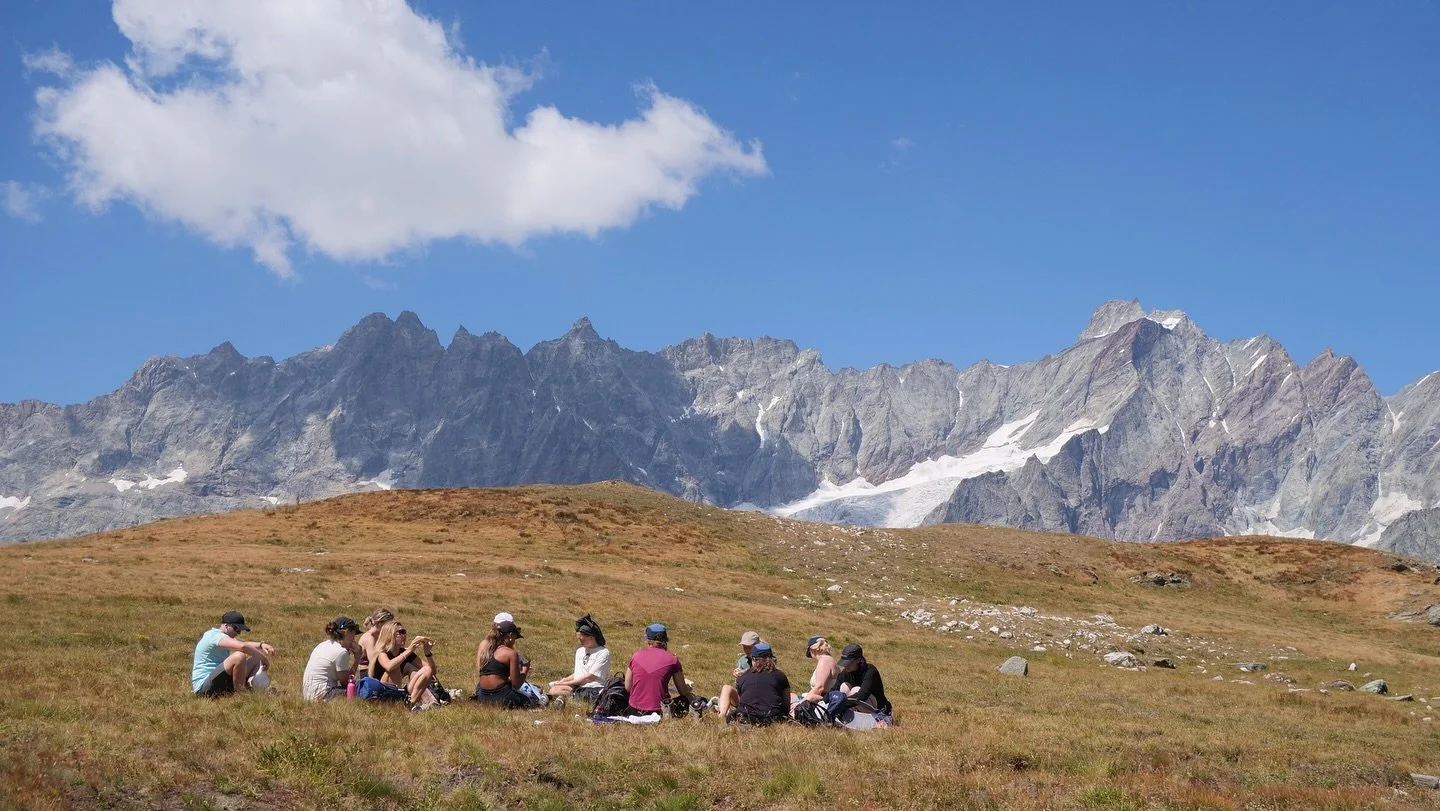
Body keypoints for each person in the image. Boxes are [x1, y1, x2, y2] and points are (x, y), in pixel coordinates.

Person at [191, 610, 275, 697]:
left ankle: (251, 686)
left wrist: (261, 645)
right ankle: (241, 694)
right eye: (236, 629)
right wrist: (263, 658)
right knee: (239, 656)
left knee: (256, 658)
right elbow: (242, 646)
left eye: (240, 630)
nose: (238, 633)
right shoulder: (214, 635)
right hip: (204, 688)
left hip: (219, 682)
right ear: (226, 625)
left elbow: (244, 644)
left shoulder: (223, 637)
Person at [624, 623, 691, 716]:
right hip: (660, 711)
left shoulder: (635, 656)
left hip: (634, 710)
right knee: (686, 700)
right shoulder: (672, 659)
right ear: (665, 640)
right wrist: (688, 689)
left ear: (648, 639)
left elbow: (628, 687)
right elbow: (683, 692)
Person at [368, 620, 438, 707]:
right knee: (395, 668)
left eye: (404, 632)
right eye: (401, 632)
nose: (404, 635)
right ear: (390, 635)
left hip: (398, 691)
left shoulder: (405, 652)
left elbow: (432, 671)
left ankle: (410, 703)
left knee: (426, 670)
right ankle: (396, 702)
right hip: (381, 693)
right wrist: (409, 650)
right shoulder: (382, 653)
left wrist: (427, 653)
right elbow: (389, 666)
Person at [547, 614, 610, 707]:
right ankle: (562, 699)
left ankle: (563, 699)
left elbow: (589, 677)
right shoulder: (580, 651)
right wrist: (564, 680)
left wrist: (566, 683)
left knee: (563, 690)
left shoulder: (603, 652)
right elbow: (578, 673)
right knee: (553, 690)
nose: (580, 642)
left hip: (593, 688)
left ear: (591, 637)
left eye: (582, 640)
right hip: (578, 686)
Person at [472, 620, 533, 708]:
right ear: (510, 635)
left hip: (482, 696)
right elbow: (516, 684)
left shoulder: (487, 649)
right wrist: (524, 670)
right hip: (501, 696)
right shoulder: (510, 653)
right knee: (529, 700)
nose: (514, 641)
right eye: (515, 637)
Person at [301, 616, 362, 702]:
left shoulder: (322, 645)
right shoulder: (341, 652)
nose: (354, 639)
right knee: (361, 691)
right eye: (353, 634)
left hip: (309, 694)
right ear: (347, 633)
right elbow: (346, 683)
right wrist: (357, 659)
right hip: (323, 694)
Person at [831, 643, 893, 723]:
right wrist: (823, 702)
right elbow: (834, 690)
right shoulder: (845, 673)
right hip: (855, 705)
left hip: (877, 709)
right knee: (844, 686)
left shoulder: (870, 671)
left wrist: (839, 703)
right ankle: (849, 716)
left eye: (849, 662)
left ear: (858, 660)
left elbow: (862, 696)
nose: (846, 666)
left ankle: (871, 720)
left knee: (855, 690)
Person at [731, 643, 790, 725]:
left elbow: (741, 701)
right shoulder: (780, 676)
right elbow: (786, 704)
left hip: (746, 717)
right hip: (772, 719)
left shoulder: (744, 676)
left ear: (754, 659)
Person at [714, 630, 762, 719]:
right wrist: (738, 677)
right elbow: (738, 686)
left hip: (760, 698)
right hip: (743, 696)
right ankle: (721, 715)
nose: (746, 650)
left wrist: (746, 673)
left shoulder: (766, 660)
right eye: (744, 647)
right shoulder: (742, 661)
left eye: (749, 647)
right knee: (726, 688)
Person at [795, 636, 840, 715]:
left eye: (810, 652)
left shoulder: (825, 660)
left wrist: (801, 703)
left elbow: (820, 687)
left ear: (814, 649)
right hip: (823, 698)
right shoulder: (828, 659)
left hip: (824, 700)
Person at [356, 607, 395, 675]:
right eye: (388, 625)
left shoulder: (380, 635)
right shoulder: (369, 638)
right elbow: (374, 661)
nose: (390, 628)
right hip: (369, 673)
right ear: (380, 623)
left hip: (379, 669)